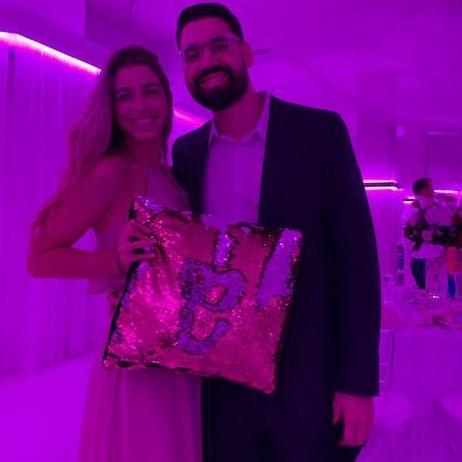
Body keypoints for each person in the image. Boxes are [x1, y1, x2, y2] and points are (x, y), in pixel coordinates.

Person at [172, 3, 381, 461]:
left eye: (219, 46)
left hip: (306, 376)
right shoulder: (187, 155)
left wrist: (357, 383)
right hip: (221, 384)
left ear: (246, 52)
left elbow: (357, 263)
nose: (207, 61)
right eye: (193, 54)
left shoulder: (318, 133)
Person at [27, 46, 201, 462]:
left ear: (166, 98)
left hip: (181, 346)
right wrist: (114, 262)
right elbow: (40, 257)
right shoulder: (111, 172)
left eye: (150, 91)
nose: (140, 106)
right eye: (125, 96)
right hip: (137, 356)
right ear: (113, 108)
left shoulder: (168, 175)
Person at [404, 177, 445, 289]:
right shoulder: (413, 209)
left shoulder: (436, 206)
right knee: (424, 287)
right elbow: (408, 230)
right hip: (421, 253)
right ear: (423, 190)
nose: (433, 190)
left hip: (434, 253)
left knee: (433, 286)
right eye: (431, 187)